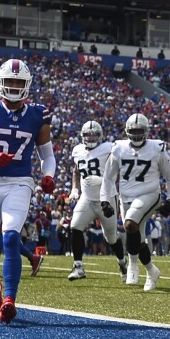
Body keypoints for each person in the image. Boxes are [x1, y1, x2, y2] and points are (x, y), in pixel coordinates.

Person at [0, 59, 56, 324]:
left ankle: (10, 300)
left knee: (12, 236)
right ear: (1, 83)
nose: (14, 86)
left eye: (19, 82)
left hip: (19, 182)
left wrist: (48, 176)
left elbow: (47, 155)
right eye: (10, 81)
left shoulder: (38, 114)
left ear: (26, 85)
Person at [106, 113, 170, 291]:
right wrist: (104, 199)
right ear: (127, 131)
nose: (137, 134)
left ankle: (132, 266)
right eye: (133, 131)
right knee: (138, 238)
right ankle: (152, 271)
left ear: (146, 131)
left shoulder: (157, 148)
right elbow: (108, 177)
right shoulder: (118, 148)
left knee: (130, 224)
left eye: (140, 131)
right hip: (126, 197)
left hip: (149, 194)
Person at [66, 120, 127, 282]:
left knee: (111, 238)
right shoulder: (77, 150)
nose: (91, 138)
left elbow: (119, 170)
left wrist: (101, 180)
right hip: (87, 198)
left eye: (94, 135)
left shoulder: (108, 148)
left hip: (106, 197)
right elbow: (76, 171)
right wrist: (74, 189)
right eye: (88, 135)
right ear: (82, 136)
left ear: (100, 136)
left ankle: (122, 262)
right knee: (75, 226)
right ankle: (78, 266)